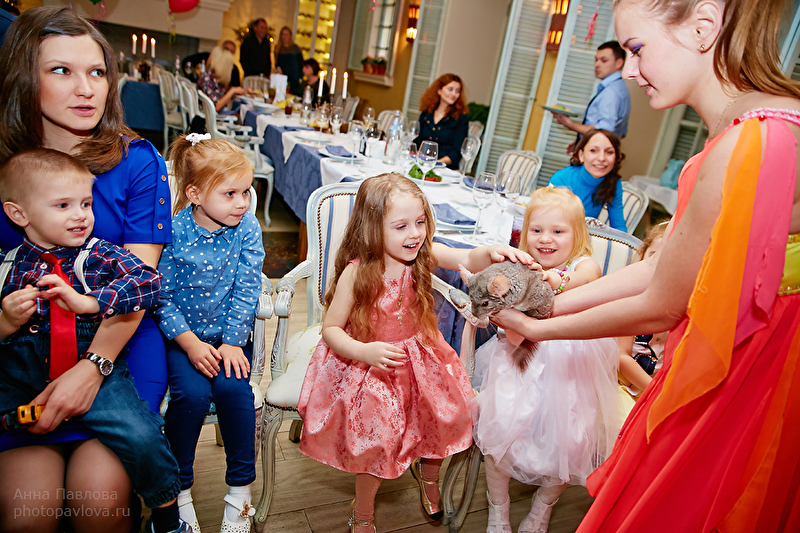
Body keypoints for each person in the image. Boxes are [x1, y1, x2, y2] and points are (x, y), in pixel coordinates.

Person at [489, 0, 800, 530]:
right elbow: (662, 268)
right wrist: (547, 306)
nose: (630, 72)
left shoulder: (752, 141)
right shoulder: (753, 126)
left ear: (703, 27)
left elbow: (662, 303)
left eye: (637, 49)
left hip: (754, 367)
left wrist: (536, 327)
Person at [0, 7, 173, 527]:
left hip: (118, 345)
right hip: (18, 359)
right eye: (61, 70)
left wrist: (91, 369)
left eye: (97, 72)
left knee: (98, 503)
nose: (86, 88)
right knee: (28, 513)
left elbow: (138, 284)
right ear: (23, 78)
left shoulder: (138, 161)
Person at [297, 173, 534, 533]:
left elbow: (466, 256)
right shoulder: (357, 273)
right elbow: (331, 329)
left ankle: (429, 474)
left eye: (420, 222)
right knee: (376, 439)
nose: (415, 234)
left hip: (420, 355)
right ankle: (363, 512)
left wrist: (491, 253)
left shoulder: (422, 256)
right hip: (370, 364)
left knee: (445, 414)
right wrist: (364, 351)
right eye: (401, 226)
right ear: (372, 229)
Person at [0, 149, 190, 533]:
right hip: (21, 378)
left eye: (86, 204)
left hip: (96, 373)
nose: (81, 215)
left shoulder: (97, 255)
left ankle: (168, 515)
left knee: (142, 434)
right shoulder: (7, 266)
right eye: (63, 205)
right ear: (18, 214)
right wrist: (6, 321)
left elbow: (148, 282)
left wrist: (91, 302)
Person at [471, 186, 625, 533]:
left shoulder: (584, 264)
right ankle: (498, 510)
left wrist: (557, 279)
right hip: (519, 361)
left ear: (577, 235)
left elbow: (586, 278)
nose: (545, 239)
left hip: (569, 365)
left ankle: (542, 509)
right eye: (537, 230)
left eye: (558, 231)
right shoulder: (520, 265)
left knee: (569, 441)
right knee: (500, 432)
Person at [156, 134, 265, 533]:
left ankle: (240, 491)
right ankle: (180, 488)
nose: (242, 203)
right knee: (191, 396)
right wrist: (190, 344)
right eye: (230, 193)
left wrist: (233, 341)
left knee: (235, 391)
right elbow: (162, 296)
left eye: (246, 192)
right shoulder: (172, 230)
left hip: (229, 337)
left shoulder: (247, 227)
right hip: (183, 339)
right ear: (195, 194)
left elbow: (247, 287)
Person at [617, 221, 669, 397]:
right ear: (642, 254)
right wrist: (658, 394)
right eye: (653, 255)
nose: (659, 264)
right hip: (622, 382)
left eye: (668, 258)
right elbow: (621, 357)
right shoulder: (628, 297)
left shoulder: (682, 301)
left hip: (658, 384)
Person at [550, 41, 631, 152]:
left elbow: (604, 130)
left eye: (604, 60)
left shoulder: (611, 91)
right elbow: (622, 133)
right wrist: (583, 141)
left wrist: (569, 124)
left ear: (619, 63)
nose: (597, 65)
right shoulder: (621, 88)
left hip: (596, 154)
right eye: (596, 60)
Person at [548, 129, 627, 232]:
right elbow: (547, 222)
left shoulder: (613, 183)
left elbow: (618, 227)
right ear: (581, 155)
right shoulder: (561, 178)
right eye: (593, 150)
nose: (601, 158)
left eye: (609, 152)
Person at [413, 73, 469, 170]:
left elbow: (456, 152)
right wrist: (416, 154)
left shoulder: (461, 118)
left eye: (457, 91)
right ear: (439, 90)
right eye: (450, 89)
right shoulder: (427, 113)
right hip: (422, 163)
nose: (454, 94)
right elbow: (418, 140)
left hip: (444, 168)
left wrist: (435, 164)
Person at [197, 45, 251, 113]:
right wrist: (232, 91)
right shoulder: (206, 79)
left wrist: (240, 91)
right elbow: (215, 107)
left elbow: (220, 96)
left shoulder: (214, 78)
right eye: (230, 64)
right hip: (208, 117)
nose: (232, 67)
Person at [275, 26, 304, 96]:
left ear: (290, 35)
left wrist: (300, 77)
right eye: (283, 34)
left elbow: (301, 63)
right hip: (283, 77)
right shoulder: (278, 48)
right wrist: (277, 68)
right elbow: (277, 62)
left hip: (294, 77)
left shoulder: (295, 48)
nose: (285, 37)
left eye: (287, 34)